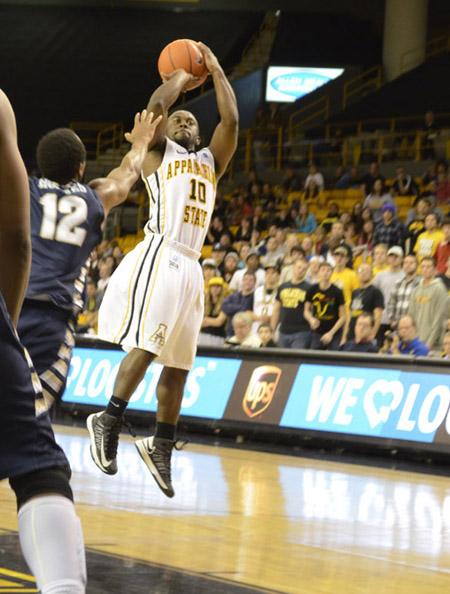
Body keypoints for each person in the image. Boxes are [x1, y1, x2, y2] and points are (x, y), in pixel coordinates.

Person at [87, 46, 239, 498]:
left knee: (179, 367)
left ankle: (161, 444)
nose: (186, 123)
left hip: (192, 266)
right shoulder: (160, 154)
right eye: (180, 121)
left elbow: (230, 123)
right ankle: (108, 418)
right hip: (162, 253)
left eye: (191, 121)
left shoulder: (212, 162)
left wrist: (215, 71)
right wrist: (180, 76)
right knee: (149, 346)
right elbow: (156, 108)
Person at [0, 89, 86, 593]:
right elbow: (15, 241)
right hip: (41, 313)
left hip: (38, 309)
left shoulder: (39, 189)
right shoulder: (93, 198)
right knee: (38, 465)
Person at [17, 112, 162, 411]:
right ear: (82, 168)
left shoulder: (25, 191)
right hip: (54, 317)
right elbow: (129, 171)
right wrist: (141, 141)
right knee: (34, 412)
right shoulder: (96, 197)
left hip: (13, 309)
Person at [408, 256, 448, 350]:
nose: (425, 269)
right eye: (423, 266)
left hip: (433, 346)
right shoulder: (416, 290)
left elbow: (440, 318)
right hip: (416, 342)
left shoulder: (440, 289)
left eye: (429, 267)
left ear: (434, 269)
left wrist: (429, 344)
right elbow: (411, 316)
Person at [304, 262, 347, 350]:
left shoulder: (337, 291)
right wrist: (311, 319)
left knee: (333, 360)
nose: (325, 273)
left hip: (334, 332)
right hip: (317, 331)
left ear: (332, 273)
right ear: (318, 272)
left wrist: (331, 333)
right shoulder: (312, 289)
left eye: (328, 271)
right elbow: (306, 311)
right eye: (323, 270)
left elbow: (343, 316)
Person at [271, 259, 311, 349]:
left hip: (301, 332)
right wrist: (272, 330)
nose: (301, 270)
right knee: (281, 360)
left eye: (304, 269)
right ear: (293, 268)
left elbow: (310, 310)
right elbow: (276, 310)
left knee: (295, 361)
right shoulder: (282, 286)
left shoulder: (310, 288)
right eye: (299, 267)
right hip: (283, 331)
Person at [343, 264, 384, 342]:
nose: (363, 273)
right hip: (352, 334)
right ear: (357, 274)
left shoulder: (376, 292)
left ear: (372, 275)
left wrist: (372, 334)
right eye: (361, 271)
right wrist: (344, 336)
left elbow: (378, 317)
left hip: (365, 335)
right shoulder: (355, 292)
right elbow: (350, 316)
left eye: (367, 271)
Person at [373, 246, 405, 341]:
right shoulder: (380, 276)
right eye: (391, 256)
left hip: (398, 320)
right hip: (381, 319)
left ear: (401, 258)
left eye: (396, 256)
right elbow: (373, 295)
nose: (393, 259)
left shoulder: (405, 276)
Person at [386, 254, 420, 329]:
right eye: (406, 263)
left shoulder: (420, 283)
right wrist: (392, 320)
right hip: (398, 325)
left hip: (414, 326)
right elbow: (391, 303)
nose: (408, 265)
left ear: (417, 266)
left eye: (411, 263)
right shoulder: (398, 283)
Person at [198, 277, 227, 346]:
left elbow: (219, 322)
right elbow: (198, 321)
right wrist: (210, 321)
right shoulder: (205, 301)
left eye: (218, 286)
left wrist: (205, 321)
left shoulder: (225, 302)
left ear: (221, 289)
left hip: (218, 336)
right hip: (203, 335)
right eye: (213, 286)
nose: (215, 289)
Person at [252, 264, 279, 333]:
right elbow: (249, 310)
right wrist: (258, 318)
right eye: (267, 273)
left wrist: (270, 318)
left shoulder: (281, 291)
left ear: (279, 275)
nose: (269, 275)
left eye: (273, 273)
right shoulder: (257, 290)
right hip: (256, 328)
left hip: (273, 328)